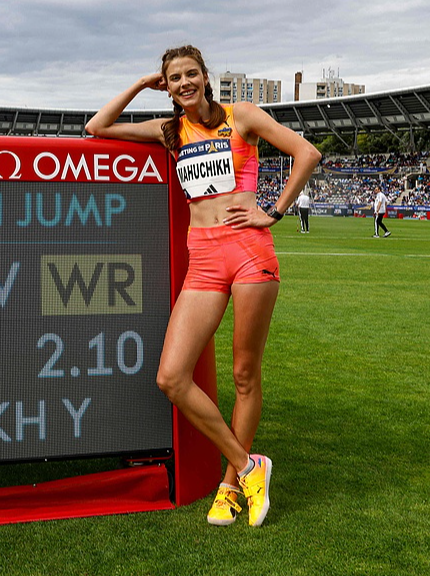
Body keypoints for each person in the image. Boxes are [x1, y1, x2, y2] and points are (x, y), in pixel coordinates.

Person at [86, 45, 321, 527]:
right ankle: (247, 463)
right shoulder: (169, 130)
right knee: (171, 377)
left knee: (243, 375)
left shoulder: (243, 116)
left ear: (206, 76)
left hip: (250, 251)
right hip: (205, 259)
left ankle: (230, 488)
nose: (184, 82)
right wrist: (139, 84)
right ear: (167, 86)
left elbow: (307, 153)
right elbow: (98, 127)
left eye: (191, 73)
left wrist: (272, 212)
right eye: (174, 78)